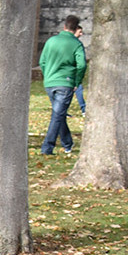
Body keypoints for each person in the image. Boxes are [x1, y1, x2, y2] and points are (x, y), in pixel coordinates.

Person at [38, 15, 86, 155]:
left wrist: (48, 75)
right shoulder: (76, 43)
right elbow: (82, 65)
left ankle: (67, 143)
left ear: (64, 27)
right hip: (65, 82)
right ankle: (47, 147)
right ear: (76, 28)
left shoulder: (51, 41)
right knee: (57, 115)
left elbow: (42, 61)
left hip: (50, 82)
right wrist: (77, 80)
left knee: (59, 114)